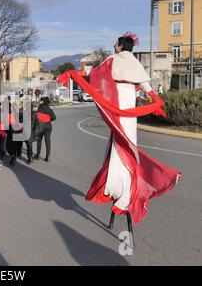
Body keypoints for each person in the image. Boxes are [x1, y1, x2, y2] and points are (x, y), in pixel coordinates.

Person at [57, 32, 180, 226]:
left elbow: (94, 74)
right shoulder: (134, 62)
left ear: (121, 46)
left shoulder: (113, 59)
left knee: (121, 143)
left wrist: (74, 74)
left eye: (116, 44)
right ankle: (123, 189)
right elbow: (145, 84)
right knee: (126, 141)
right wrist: (156, 101)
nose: (114, 46)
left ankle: (122, 191)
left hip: (119, 102)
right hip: (128, 102)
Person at [34, 97, 56, 162]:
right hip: (48, 126)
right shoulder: (49, 109)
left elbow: (36, 117)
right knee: (48, 141)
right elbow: (54, 118)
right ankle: (47, 156)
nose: (39, 102)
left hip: (41, 126)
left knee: (39, 140)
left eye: (40, 101)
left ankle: (37, 155)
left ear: (42, 101)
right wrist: (48, 120)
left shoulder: (40, 108)